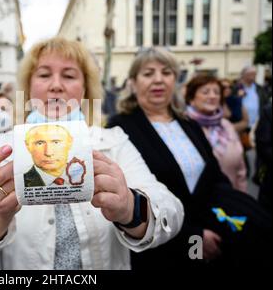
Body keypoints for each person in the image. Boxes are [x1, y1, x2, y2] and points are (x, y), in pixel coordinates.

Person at [0, 37, 184, 270]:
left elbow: (172, 215)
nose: (56, 85)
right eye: (44, 74)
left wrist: (131, 207)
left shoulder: (114, 143)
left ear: (85, 89)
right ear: (28, 87)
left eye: (69, 75)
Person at [107, 47, 271, 269]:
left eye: (166, 72)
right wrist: (194, 237)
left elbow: (214, 175)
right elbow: (130, 199)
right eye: (148, 74)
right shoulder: (120, 128)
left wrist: (229, 212)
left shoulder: (188, 123)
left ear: (175, 80)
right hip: (162, 248)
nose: (158, 80)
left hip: (211, 235)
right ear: (133, 83)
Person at [185, 75, 247, 192]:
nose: (212, 96)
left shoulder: (226, 125)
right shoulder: (183, 126)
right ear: (191, 98)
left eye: (217, 92)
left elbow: (240, 169)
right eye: (205, 92)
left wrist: (242, 198)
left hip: (228, 197)